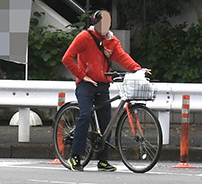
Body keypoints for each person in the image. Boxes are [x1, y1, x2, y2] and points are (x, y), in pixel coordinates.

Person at [60, 10, 146, 172]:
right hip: (86, 85)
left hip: (103, 83)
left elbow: (122, 56)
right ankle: (75, 156)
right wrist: (82, 76)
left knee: (106, 121)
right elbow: (67, 58)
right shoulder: (84, 37)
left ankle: (103, 161)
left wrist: (138, 69)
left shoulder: (111, 40)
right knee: (85, 115)